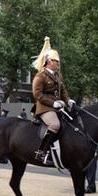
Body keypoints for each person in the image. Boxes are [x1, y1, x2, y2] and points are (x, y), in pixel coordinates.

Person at [31, 36, 74, 165]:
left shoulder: (58, 75)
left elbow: (63, 90)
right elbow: (37, 94)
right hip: (45, 107)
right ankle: (41, 152)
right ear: (49, 61)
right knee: (55, 125)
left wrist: (68, 101)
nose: (58, 64)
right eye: (56, 61)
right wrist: (52, 103)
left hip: (58, 106)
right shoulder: (40, 76)